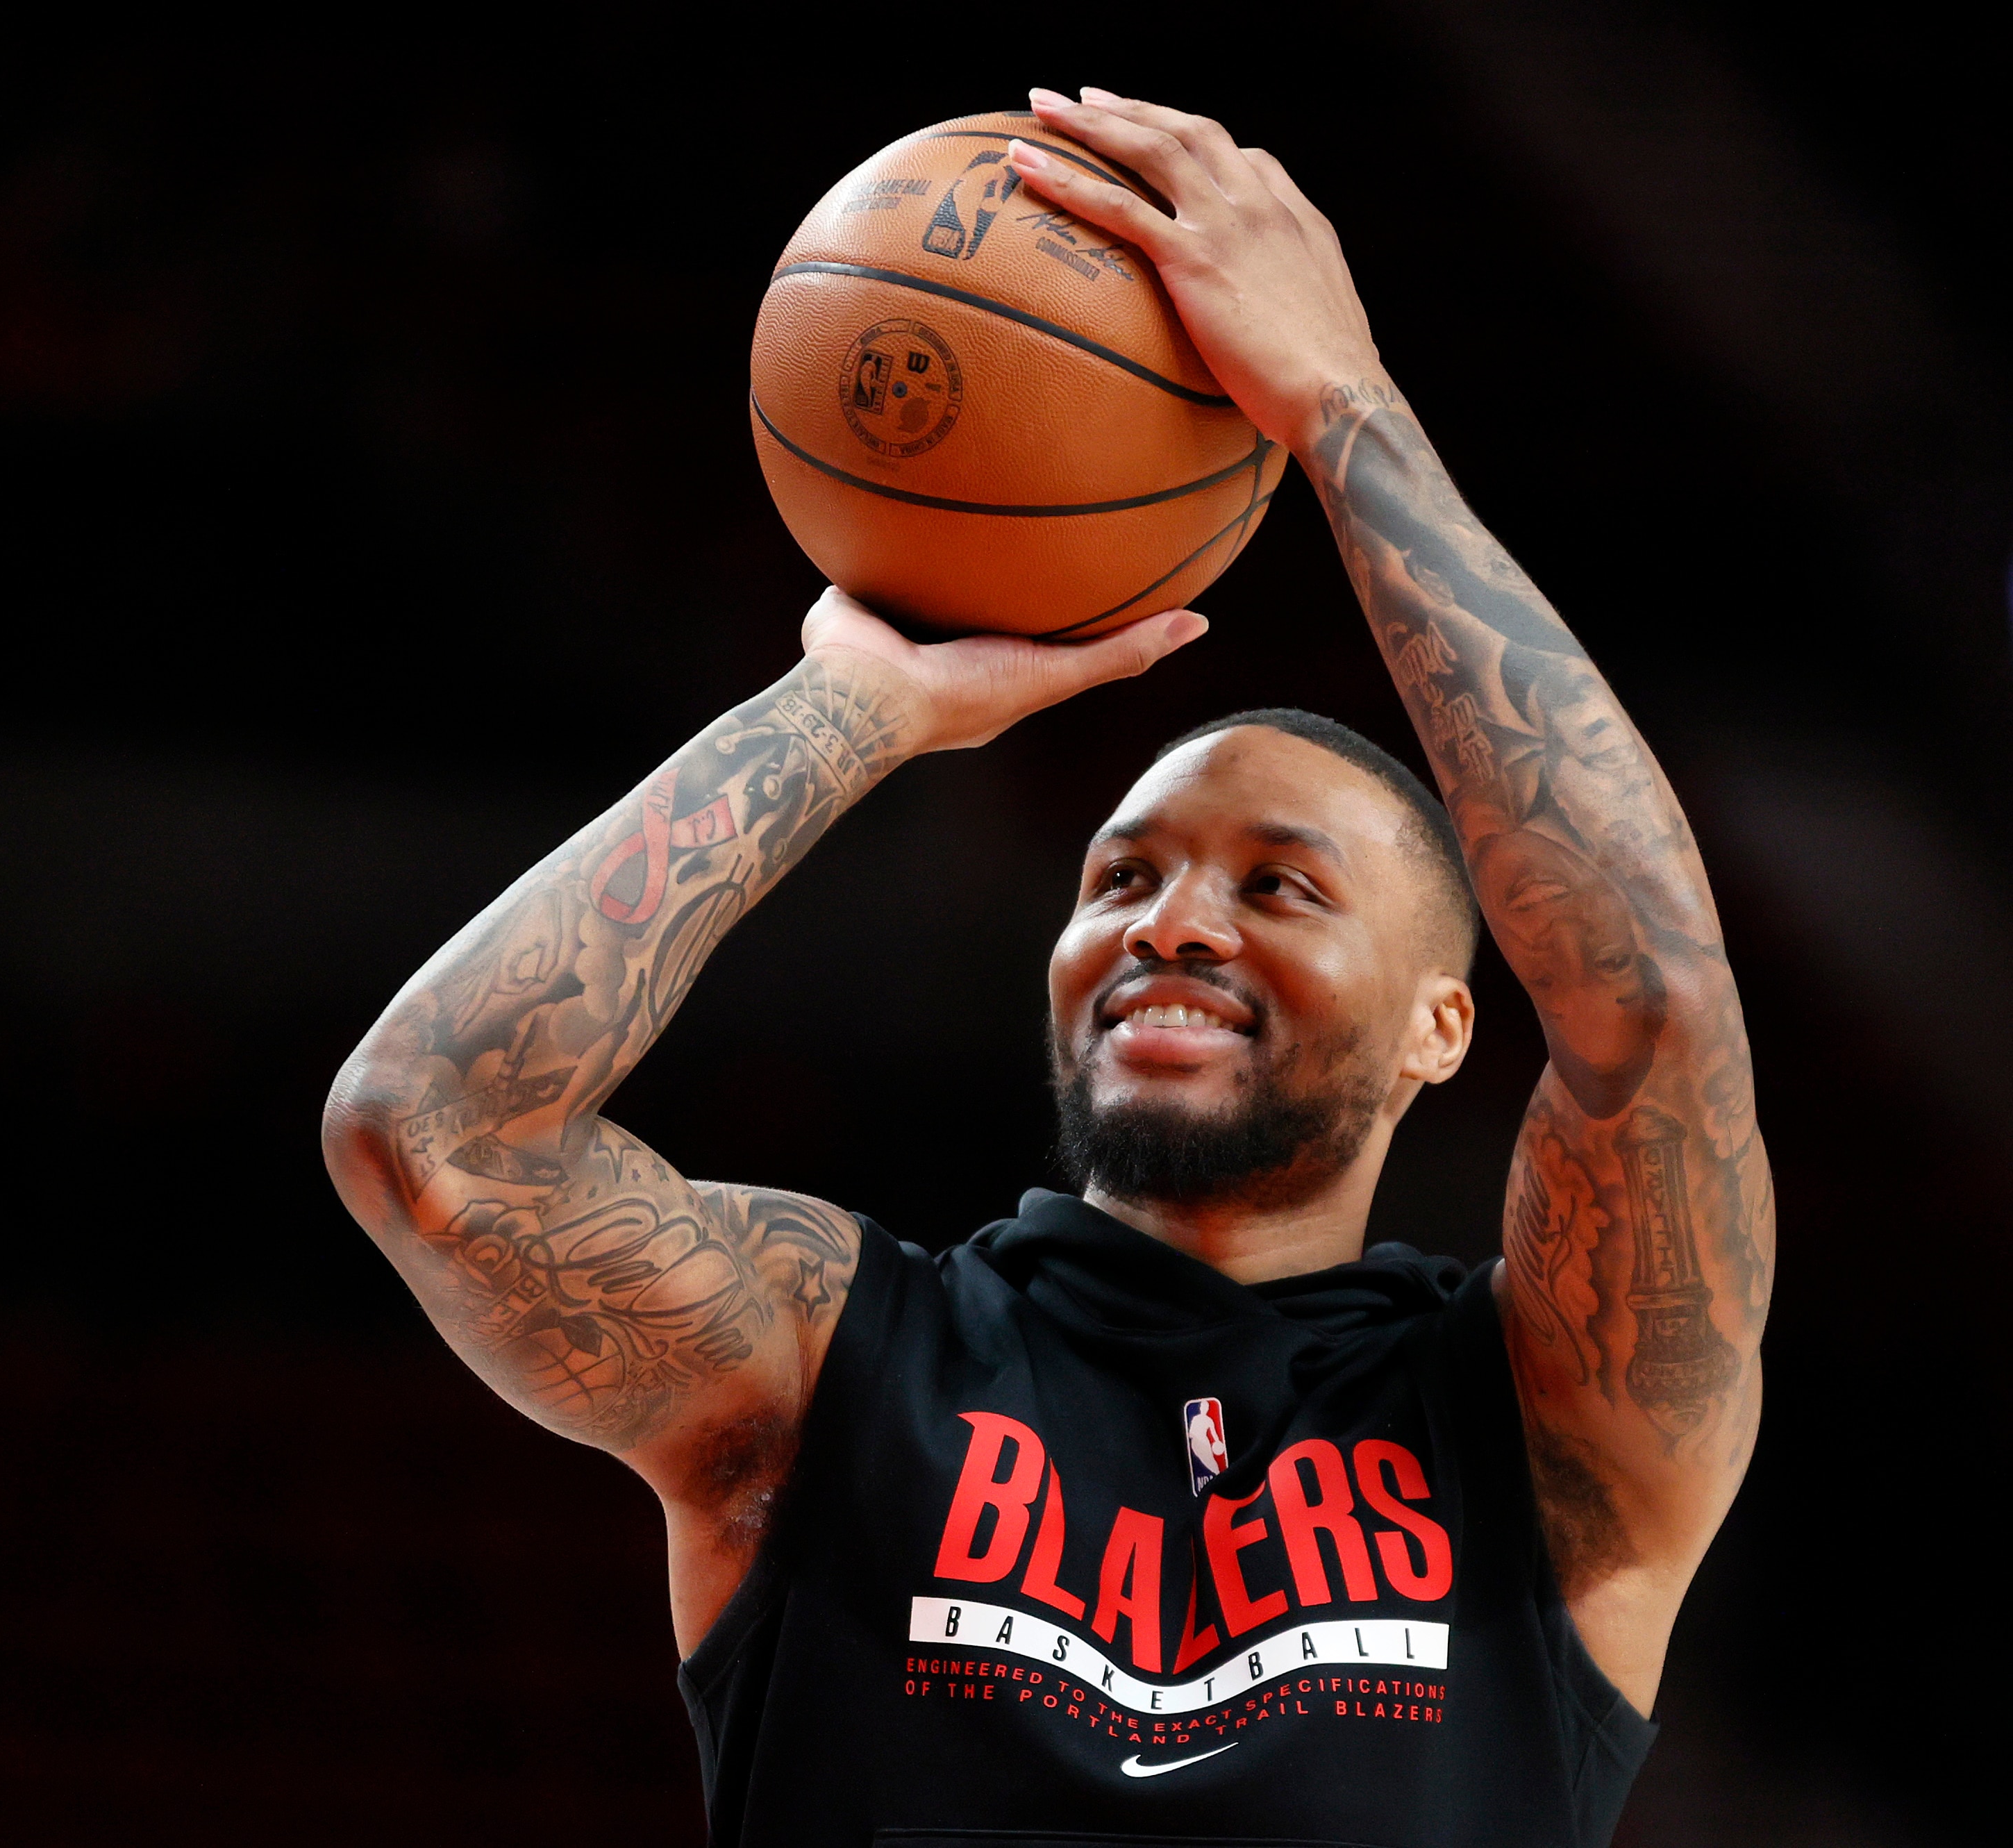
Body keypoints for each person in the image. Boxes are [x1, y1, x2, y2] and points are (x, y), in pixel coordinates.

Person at [321, 86, 1767, 1848]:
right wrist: (845, 706)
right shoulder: (838, 1358)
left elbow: (1653, 1004)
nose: (1172, 918)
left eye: (1282, 885)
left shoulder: (1541, 1422)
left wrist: (1341, 410)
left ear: (1439, 1022)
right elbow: (432, 1130)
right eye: (1123, 872)